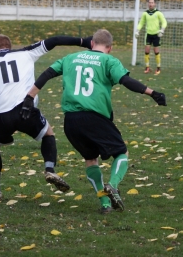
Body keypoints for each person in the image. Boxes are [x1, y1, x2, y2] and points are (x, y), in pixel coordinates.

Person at [23, 29, 167, 214]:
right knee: (121, 152)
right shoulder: (109, 60)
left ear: (92, 43)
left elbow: (47, 74)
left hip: (71, 121)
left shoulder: (71, 58)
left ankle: (105, 204)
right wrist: (152, 93)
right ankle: (113, 185)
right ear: (110, 48)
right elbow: (126, 81)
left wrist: (29, 98)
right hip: (95, 118)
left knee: (91, 160)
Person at [0, 34, 92, 201]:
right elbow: (55, 41)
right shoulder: (27, 53)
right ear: (9, 46)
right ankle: (50, 170)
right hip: (26, 110)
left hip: (2, 116)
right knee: (48, 134)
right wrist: (84, 42)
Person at [135, 0, 167, 75]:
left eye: (152, 2)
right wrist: (137, 30)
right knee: (146, 51)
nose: (150, 4)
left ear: (154, 4)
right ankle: (147, 67)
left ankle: (158, 68)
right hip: (148, 34)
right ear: (148, 4)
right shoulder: (145, 13)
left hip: (156, 35)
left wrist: (162, 30)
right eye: (149, 2)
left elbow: (164, 22)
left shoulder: (158, 13)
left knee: (156, 52)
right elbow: (141, 23)